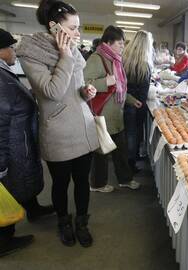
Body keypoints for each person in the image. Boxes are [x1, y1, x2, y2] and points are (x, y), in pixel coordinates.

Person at [16, 0, 100, 248]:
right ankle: (64, 221)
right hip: (58, 134)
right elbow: (52, 91)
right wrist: (65, 56)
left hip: (83, 129)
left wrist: (86, 92)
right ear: (54, 27)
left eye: (79, 27)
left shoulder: (74, 50)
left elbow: (74, 89)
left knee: (83, 181)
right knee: (61, 184)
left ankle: (82, 221)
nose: (77, 33)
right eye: (72, 27)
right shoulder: (31, 54)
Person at [0, 28, 54, 257]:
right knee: (9, 190)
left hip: (20, 141)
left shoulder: (5, 73)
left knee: (24, 180)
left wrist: (29, 95)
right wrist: (1, 162)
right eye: (11, 48)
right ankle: (4, 239)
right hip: (11, 146)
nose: (14, 52)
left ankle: (33, 209)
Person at [84, 25, 140, 192]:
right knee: (101, 152)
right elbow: (84, 84)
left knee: (120, 150)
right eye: (120, 43)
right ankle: (97, 184)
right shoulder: (97, 58)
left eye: (124, 43)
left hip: (116, 115)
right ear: (108, 42)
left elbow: (120, 88)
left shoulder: (115, 59)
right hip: (103, 114)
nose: (123, 47)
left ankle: (125, 179)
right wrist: (104, 82)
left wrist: (131, 100)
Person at [122, 30, 153, 172]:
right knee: (134, 134)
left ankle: (129, 159)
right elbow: (144, 91)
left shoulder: (124, 59)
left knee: (128, 132)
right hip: (138, 103)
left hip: (124, 101)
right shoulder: (144, 65)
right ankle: (131, 163)